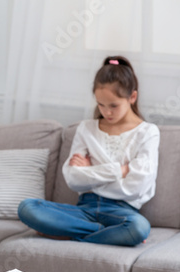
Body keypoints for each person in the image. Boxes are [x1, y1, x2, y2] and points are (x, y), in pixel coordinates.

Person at [18, 56, 160, 246]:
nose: (106, 112)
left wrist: (90, 172)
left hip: (122, 213)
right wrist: (121, 171)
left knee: (138, 227)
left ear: (132, 97)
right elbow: (73, 180)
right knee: (28, 208)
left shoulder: (148, 132)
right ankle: (106, 234)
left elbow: (137, 187)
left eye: (113, 106)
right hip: (84, 210)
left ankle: (69, 234)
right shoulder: (86, 128)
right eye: (101, 105)